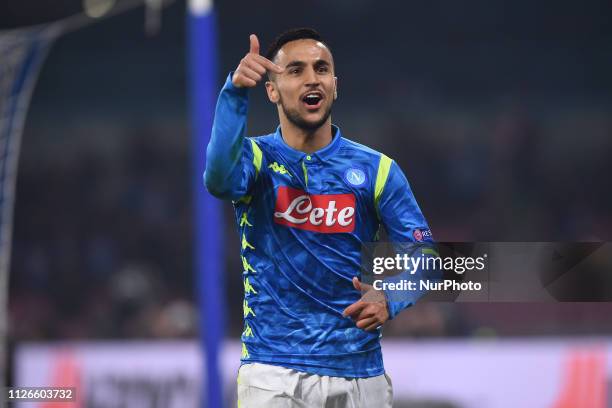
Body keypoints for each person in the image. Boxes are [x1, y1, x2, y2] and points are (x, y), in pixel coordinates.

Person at [204, 28, 433, 408]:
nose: (312, 78)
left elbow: (428, 258)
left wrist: (391, 296)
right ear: (272, 89)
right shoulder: (255, 160)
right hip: (273, 370)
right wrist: (233, 93)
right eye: (295, 70)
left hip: (360, 372)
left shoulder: (377, 170)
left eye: (321, 69)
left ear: (335, 85)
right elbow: (217, 180)